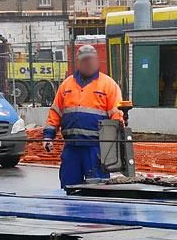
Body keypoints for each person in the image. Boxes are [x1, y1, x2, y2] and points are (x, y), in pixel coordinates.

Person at [43, 44, 123, 188]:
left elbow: (117, 116)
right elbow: (55, 112)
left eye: (91, 60)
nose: (88, 64)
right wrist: (49, 136)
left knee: (98, 190)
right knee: (69, 188)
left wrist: (114, 146)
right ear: (78, 62)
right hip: (72, 149)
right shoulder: (67, 85)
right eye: (85, 60)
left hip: (96, 149)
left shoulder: (108, 85)